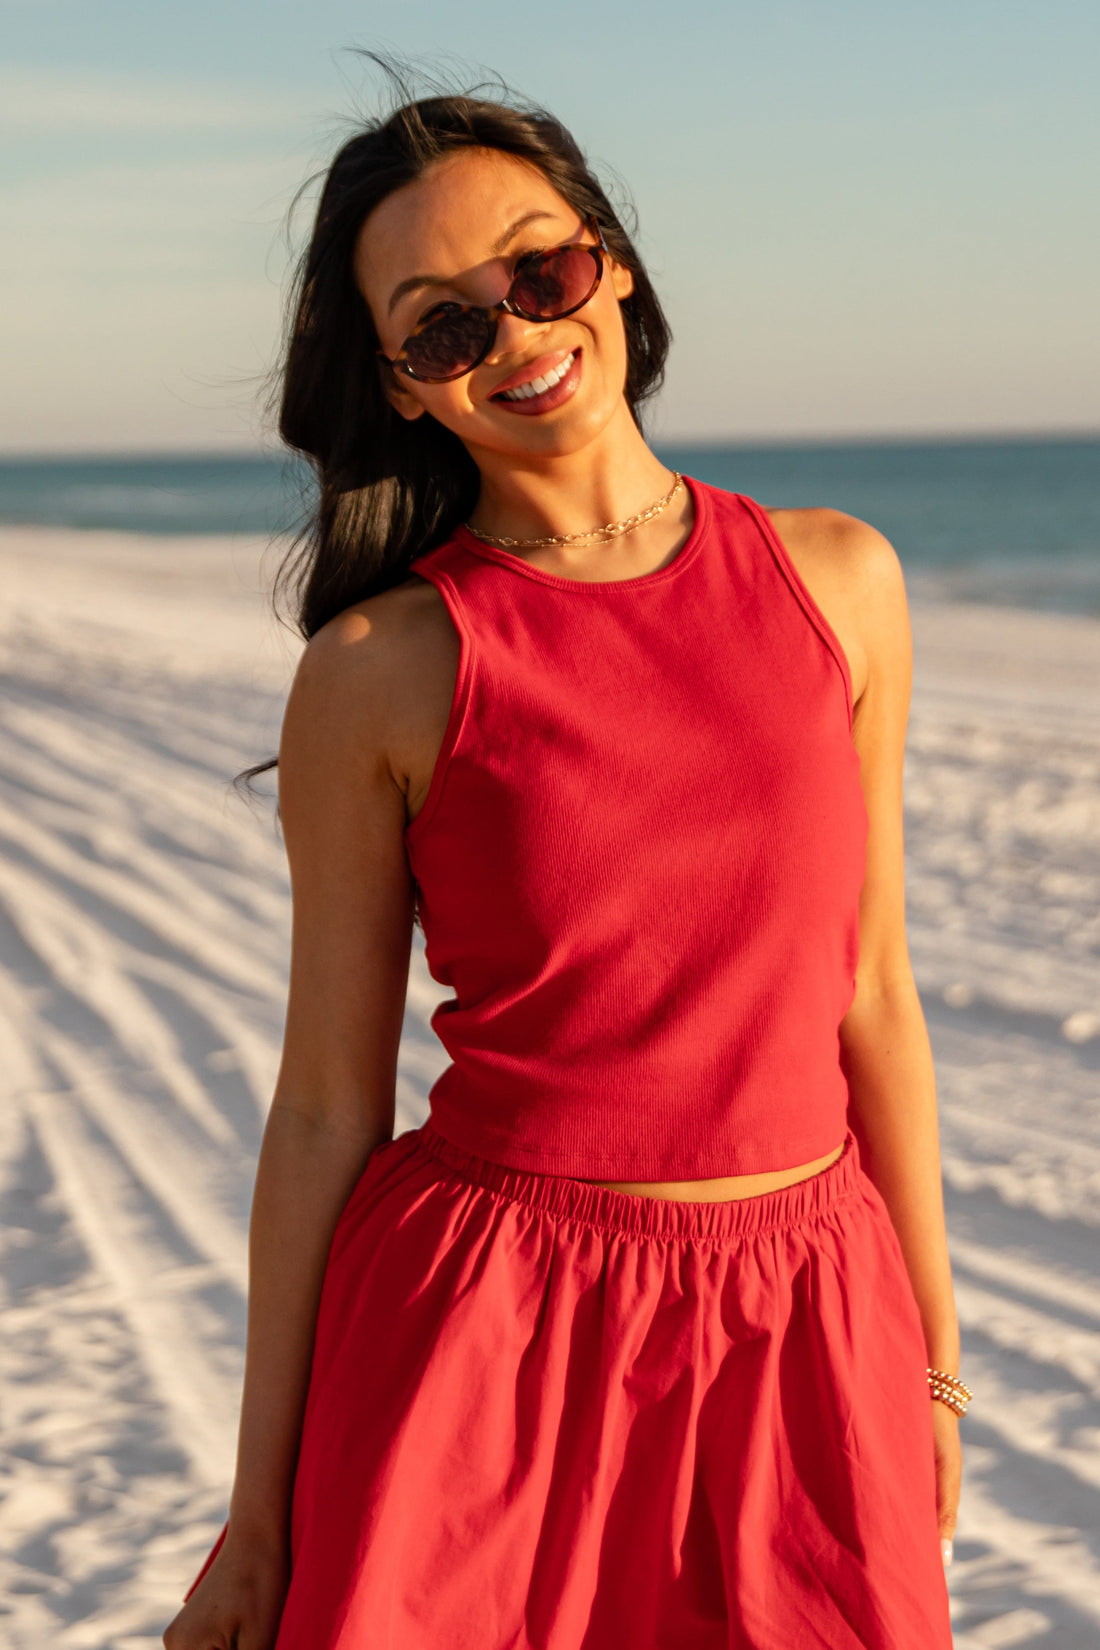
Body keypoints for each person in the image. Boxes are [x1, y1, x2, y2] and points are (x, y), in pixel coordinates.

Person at [163, 79, 970, 1650]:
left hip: (801, 1320)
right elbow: (328, 1100)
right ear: (400, 386)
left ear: (611, 266)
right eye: (443, 326)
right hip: (490, 1335)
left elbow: (874, 990)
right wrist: (254, 1525)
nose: (519, 338)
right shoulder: (379, 669)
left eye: (538, 275)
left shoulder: (840, 583)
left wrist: (929, 1358)